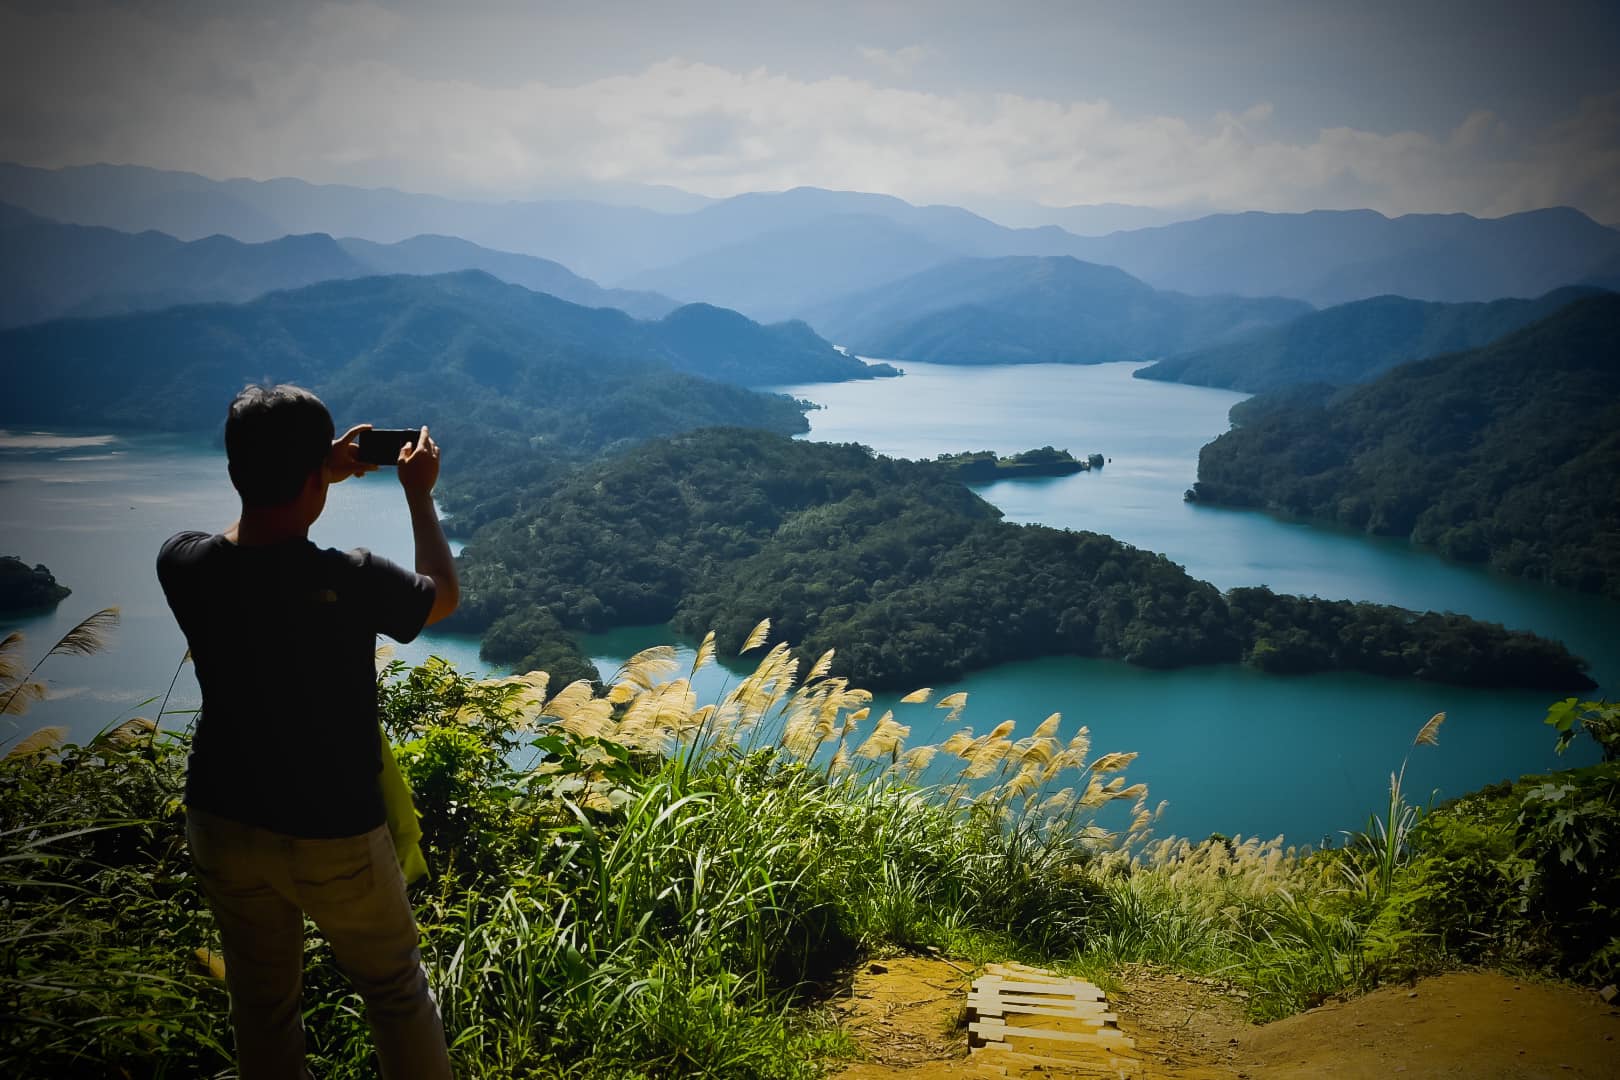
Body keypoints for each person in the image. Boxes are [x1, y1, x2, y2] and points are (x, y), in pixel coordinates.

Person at [156, 384, 458, 1079]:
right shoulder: (348, 578)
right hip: (335, 830)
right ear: (313, 471)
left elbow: (236, 540)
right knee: (394, 992)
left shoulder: (182, 563)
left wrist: (311, 470)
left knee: (262, 1006)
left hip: (222, 818)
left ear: (234, 470)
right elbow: (441, 593)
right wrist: (417, 494)